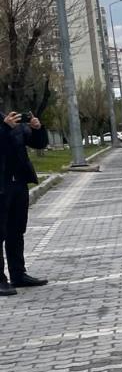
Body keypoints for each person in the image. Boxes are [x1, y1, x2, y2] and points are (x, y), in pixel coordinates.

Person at [1, 111, 50, 297]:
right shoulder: (5, 125)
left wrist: (37, 129)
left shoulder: (10, 121)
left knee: (16, 231)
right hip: (2, 185)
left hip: (18, 183)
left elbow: (39, 143)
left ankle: (18, 274)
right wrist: (5, 128)